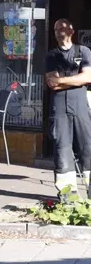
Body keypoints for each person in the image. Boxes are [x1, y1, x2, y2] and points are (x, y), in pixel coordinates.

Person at [45, 18, 91, 201]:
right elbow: (51, 84)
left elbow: (87, 77)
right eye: (56, 29)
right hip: (60, 109)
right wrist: (76, 79)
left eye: (62, 28)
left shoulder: (84, 51)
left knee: (88, 149)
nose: (59, 31)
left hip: (81, 107)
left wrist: (61, 80)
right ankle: (68, 198)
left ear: (72, 31)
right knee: (62, 151)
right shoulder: (51, 56)